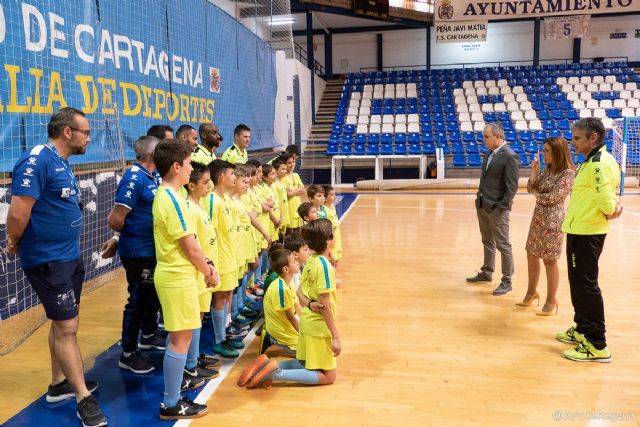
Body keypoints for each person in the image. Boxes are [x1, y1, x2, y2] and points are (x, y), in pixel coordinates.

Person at [6, 107, 107, 427]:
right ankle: (82, 398)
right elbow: (18, 213)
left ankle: (57, 385)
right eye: (85, 132)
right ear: (68, 133)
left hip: (68, 255)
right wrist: (13, 241)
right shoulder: (37, 160)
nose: (89, 138)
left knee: (61, 323)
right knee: (68, 327)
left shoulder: (59, 160)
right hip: (49, 260)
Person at [152, 140, 218, 420]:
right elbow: (190, 246)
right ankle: (171, 403)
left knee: (180, 337)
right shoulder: (170, 199)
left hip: (179, 275)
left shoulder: (173, 195)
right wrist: (209, 271)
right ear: (177, 167)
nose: (192, 167)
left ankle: (176, 390)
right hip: (177, 276)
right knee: (180, 339)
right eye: (190, 163)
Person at [238, 219, 339, 389]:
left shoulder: (311, 261)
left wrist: (309, 304)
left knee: (308, 364)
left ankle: (266, 366)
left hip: (307, 322)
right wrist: (335, 336)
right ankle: (275, 374)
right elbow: (326, 305)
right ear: (328, 240)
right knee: (329, 376)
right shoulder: (324, 265)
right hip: (318, 327)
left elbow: (300, 293)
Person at [556, 118, 622, 363]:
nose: (572, 143)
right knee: (579, 283)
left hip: (587, 232)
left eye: (576, 138)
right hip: (580, 229)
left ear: (592, 138)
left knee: (586, 286)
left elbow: (605, 198)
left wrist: (612, 209)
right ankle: (583, 329)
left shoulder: (597, 164)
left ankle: (597, 343)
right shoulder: (595, 160)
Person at [107, 136, 165, 375]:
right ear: (152, 155)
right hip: (137, 251)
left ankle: (148, 335)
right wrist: (119, 238)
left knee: (152, 296)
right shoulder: (134, 177)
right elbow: (116, 218)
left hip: (152, 249)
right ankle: (128, 353)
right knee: (138, 300)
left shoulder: (155, 176)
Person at [517, 137, 575, 315]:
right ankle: (531, 292)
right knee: (531, 254)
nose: (544, 155)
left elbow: (552, 198)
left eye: (547, 151)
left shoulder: (568, 173)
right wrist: (534, 172)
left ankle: (551, 300)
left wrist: (536, 192)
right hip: (538, 218)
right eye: (543, 151)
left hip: (553, 220)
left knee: (550, 260)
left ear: (557, 152)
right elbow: (530, 187)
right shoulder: (547, 170)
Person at [466, 123, 520, 296]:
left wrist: (501, 207)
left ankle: (507, 281)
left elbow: (512, 187)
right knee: (487, 241)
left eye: (486, 136)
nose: (483, 139)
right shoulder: (489, 154)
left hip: (497, 208)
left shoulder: (510, 156)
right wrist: (479, 198)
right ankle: (487, 272)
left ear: (497, 136)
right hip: (483, 204)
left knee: (503, 245)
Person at [323, 185, 343, 268]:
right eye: (331, 195)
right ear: (325, 197)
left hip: (337, 238)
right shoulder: (323, 209)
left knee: (336, 260)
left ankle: (333, 277)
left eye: (334, 194)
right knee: (331, 260)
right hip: (330, 239)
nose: (334, 197)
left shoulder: (333, 207)